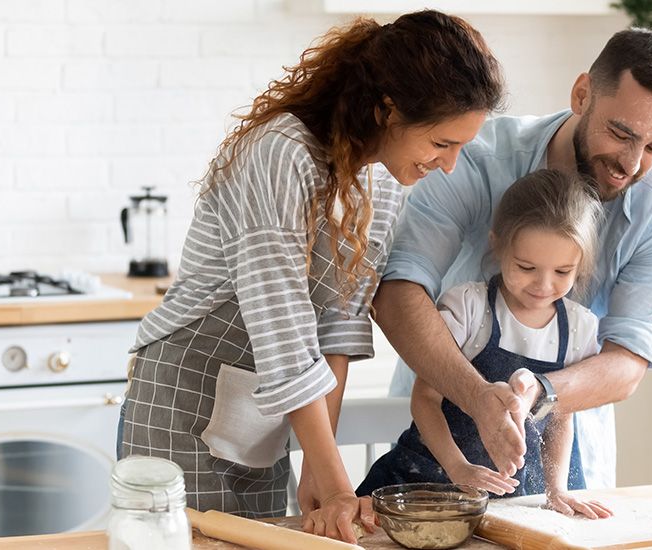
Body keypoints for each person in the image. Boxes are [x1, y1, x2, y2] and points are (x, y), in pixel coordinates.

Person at [116, 10, 503, 544]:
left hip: (266, 412)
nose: (449, 164)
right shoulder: (281, 153)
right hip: (182, 401)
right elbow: (284, 328)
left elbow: (338, 326)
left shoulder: (381, 183)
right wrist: (339, 485)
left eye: (461, 147)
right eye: (441, 143)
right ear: (388, 109)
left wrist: (324, 471)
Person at [374, 27, 652, 490]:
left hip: (563, 468)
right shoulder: (476, 157)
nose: (630, 163)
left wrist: (540, 393)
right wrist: (478, 397)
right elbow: (398, 291)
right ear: (582, 94)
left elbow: (626, 364)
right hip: (434, 450)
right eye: (620, 133)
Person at [357, 169, 612, 518]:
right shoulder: (468, 308)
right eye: (526, 267)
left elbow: (560, 417)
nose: (543, 285)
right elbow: (425, 399)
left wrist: (556, 490)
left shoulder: (580, 328)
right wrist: (458, 468)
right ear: (498, 244)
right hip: (425, 484)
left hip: (507, 500)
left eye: (562, 272)